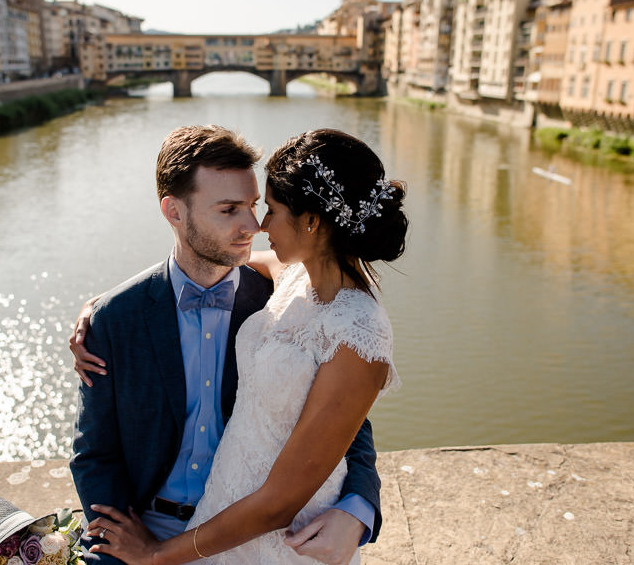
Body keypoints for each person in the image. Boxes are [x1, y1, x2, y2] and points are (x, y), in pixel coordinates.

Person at [79, 128, 407, 565]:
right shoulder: (290, 274)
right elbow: (95, 454)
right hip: (150, 522)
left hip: (276, 535)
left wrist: (358, 506)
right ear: (173, 211)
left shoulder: (310, 308)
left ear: (311, 220)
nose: (255, 226)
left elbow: (348, 426)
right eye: (231, 209)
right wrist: (101, 307)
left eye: (260, 208)